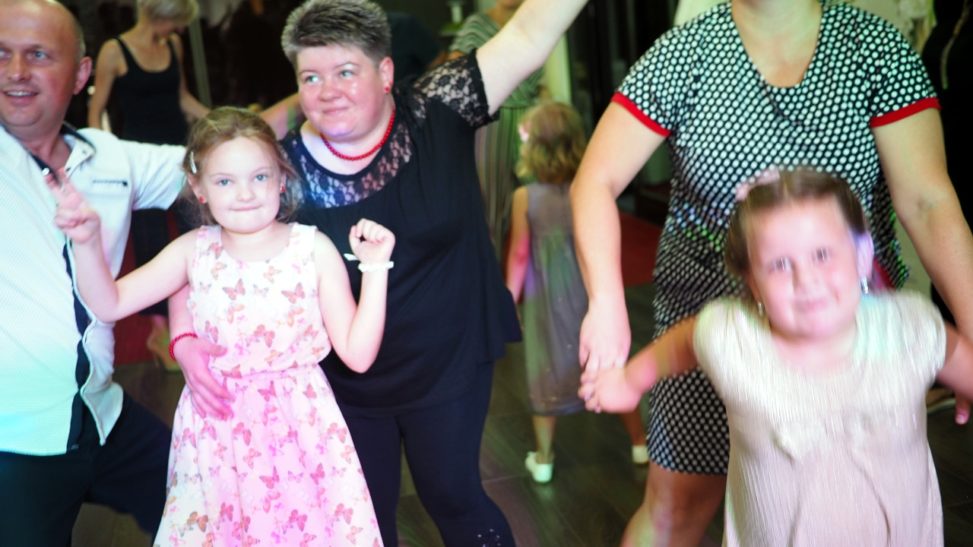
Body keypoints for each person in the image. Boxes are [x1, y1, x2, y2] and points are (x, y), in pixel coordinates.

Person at [171, 0, 589, 544]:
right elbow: (201, 246)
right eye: (311, 77)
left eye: (346, 71)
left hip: (450, 356)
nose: (328, 91)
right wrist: (183, 338)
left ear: (385, 72)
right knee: (360, 514)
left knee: (453, 495)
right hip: (343, 376)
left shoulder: (438, 107)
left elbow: (532, 34)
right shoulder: (280, 169)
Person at [570, 0, 973, 545]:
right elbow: (595, 181)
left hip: (850, 337)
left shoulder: (875, 49)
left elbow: (928, 201)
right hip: (710, 329)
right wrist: (606, 304)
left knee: (857, 500)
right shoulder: (683, 54)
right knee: (676, 508)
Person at [51, 106, 392, 545]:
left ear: (281, 178)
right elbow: (108, 302)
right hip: (218, 436)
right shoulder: (192, 251)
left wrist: (376, 268)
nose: (245, 193)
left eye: (260, 177)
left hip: (304, 433)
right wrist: (85, 242)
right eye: (225, 181)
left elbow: (358, 356)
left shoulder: (312, 249)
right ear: (198, 188)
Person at [580, 168, 973, 546]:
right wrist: (629, 381)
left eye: (823, 254)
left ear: (862, 254)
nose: (806, 280)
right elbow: (686, 342)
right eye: (780, 265)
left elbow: (952, 349)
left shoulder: (908, 328)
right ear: (752, 282)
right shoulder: (735, 338)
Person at [0, 0, 185, 544]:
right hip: (16, 441)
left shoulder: (108, 158)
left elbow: (225, 165)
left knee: (205, 502)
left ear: (81, 74)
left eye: (38, 55)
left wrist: (316, 97)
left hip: (103, 415)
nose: (16, 71)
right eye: (1, 55)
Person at [505, 101, 647, 484]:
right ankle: (639, 442)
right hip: (588, 293)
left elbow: (519, 254)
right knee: (609, 364)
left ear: (536, 149)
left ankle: (544, 458)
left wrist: (508, 301)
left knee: (544, 370)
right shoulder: (589, 193)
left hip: (547, 304)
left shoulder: (526, 198)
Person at [86, 0, 209, 371]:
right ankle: (158, 332)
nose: (178, 30)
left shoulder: (174, 45)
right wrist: (102, 159)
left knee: (197, 231)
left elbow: (182, 98)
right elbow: (96, 111)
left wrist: (219, 121)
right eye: (175, 22)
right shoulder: (114, 51)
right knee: (151, 243)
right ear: (159, 14)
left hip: (179, 153)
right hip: (138, 160)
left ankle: (200, 317)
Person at [449, 0, 544, 258]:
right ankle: (491, 272)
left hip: (530, 123)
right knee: (490, 206)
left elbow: (541, 85)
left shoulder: (534, 24)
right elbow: (455, 75)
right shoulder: (478, 24)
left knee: (539, 200)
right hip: (490, 124)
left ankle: (540, 273)